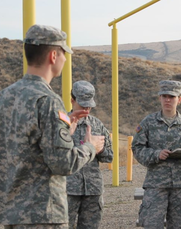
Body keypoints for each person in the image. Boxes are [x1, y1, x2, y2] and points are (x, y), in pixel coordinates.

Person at [0, 24, 105, 229]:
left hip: (10, 212)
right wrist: (91, 147)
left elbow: (22, 147)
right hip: (42, 213)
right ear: (53, 55)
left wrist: (64, 130)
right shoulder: (48, 100)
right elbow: (63, 163)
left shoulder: (2, 97)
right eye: (64, 53)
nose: (65, 59)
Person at [132, 80, 181, 229]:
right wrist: (156, 154)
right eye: (164, 96)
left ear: (179, 99)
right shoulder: (148, 123)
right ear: (160, 98)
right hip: (156, 185)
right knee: (152, 225)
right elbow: (137, 149)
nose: (168, 100)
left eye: (172, 96)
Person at [66, 80, 113, 229]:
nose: (86, 110)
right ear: (72, 101)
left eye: (89, 106)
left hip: (93, 189)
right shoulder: (61, 124)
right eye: (82, 105)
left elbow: (109, 156)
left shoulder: (97, 125)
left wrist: (99, 149)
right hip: (68, 189)